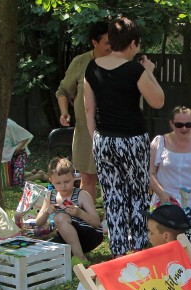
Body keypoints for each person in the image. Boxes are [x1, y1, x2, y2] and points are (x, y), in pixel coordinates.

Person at [83, 16, 164, 258]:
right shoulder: (134, 69)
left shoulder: (93, 66)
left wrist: (96, 138)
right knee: (137, 194)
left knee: (112, 195)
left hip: (103, 139)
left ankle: (118, 251)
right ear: (132, 43)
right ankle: (137, 248)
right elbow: (158, 101)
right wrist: (149, 72)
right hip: (132, 139)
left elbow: (89, 108)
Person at [56, 20, 111, 199]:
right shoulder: (80, 62)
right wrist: (64, 112)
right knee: (87, 178)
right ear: (95, 43)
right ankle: (89, 219)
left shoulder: (122, 63)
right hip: (85, 132)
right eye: (107, 43)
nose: (112, 47)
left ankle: (109, 221)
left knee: (110, 179)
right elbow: (63, 91)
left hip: (113, 131)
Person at [34, 158, 103, 262]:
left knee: (60, 217)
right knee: (47, 252)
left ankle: (81, 258)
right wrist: (46, 212)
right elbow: (38, 222)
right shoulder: (50, 196)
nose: (63, 186)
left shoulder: (82, 195)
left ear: (74, 177)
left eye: (66, 181)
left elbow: (97, 223)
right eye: (58, 183)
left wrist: (80, 213)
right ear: (51, 180)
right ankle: (72, 255)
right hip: (67, 236)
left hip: (90, 235)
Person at [2, 119, 34, 187]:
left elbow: (26, 136)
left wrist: (15, 150)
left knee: (16, 182)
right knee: (9, 179)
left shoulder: (10, 125)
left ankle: (40, 176)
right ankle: (33, 173)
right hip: (7, 157)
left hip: (19, 155)